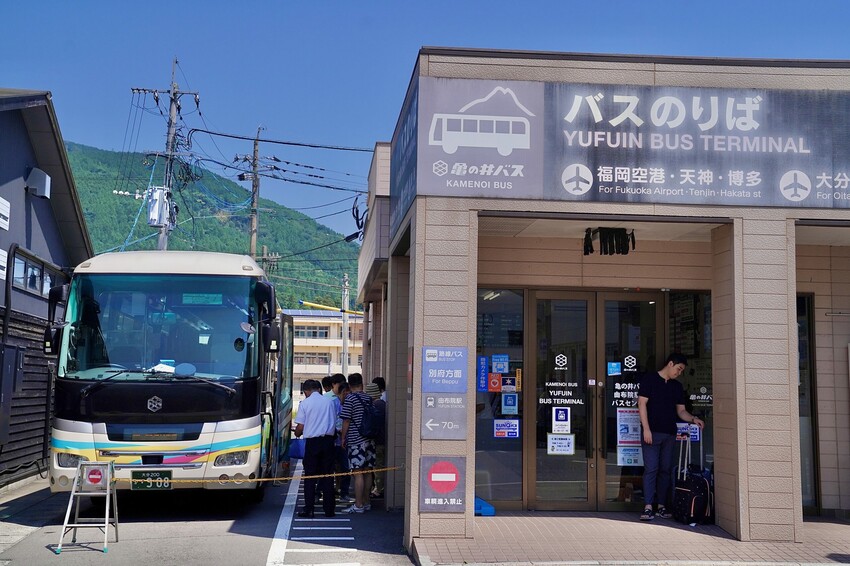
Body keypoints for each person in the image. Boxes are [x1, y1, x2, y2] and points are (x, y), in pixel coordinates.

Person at [638, 353, 704, 521]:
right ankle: (648, 506)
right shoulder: (650, 379)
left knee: (665, 470)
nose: (679, 372)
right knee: (651, 468)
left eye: (681, 370)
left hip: (669, 433)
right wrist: (646, 429)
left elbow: (681, 411)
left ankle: (661, 506)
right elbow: (641, 404)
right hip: (651, 433)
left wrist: (693, 419)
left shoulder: (676, 386)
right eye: (679, 369)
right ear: (670, 364)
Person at [292, 379, 337, 518]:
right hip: (328, 442)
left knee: (310, 476)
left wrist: (296, 433)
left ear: (306, 391)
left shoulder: (305, 403)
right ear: (318, 389)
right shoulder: (329, 402)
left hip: (312, 443)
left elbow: (300, 427)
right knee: (328, 475)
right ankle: (329, 510)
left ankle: (309, 509)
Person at [339, 372, 376, 513]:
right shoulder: (368, 398)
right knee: (368, 471)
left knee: (357, 472)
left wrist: (343, 438)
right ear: (362, 384)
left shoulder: (350, 399)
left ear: (349, 385)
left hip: (356, 440)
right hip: (370, 439)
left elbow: (346, 420)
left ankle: (358, 505)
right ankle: (367, 502)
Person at [328, 373, 352, 502]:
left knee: (345, 468)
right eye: (344, 393)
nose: (346, 395)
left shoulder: (350, 403)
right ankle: (324, 492)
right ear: (340, 393)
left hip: (345, 442)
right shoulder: (332, 403)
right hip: (333, 440)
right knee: (328, 467)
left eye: (348, 393)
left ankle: (344, 493)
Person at [365, 382, 386, 498]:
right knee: (379, 466)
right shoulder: (383, 404)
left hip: (377, 441)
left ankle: (379, 489)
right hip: (382, 439)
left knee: (378, 467)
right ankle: (378, 488)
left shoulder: (375, 406)